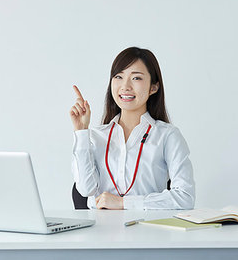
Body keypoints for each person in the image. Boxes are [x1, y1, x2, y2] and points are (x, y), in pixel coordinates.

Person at [70, 47, 195, 210]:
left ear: (153, 87)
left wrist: (124, 203)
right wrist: (81, 131)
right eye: (119, 77)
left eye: (136, 78)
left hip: (147, 231)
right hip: (101, 231)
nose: (125, 86)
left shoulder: (167, 136)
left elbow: (185, 197)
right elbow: (86, 190)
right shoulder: (95, 136)